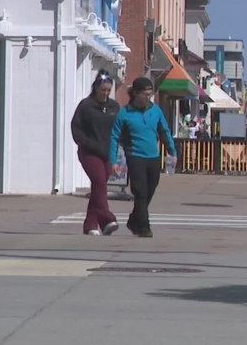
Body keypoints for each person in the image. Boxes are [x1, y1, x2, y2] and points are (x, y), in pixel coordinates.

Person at [109, 77, 176, 238]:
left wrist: (172, 151)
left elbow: (164, 132)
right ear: (136, 94)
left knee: (150, 190)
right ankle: (144, 227)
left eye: (150, 94)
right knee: (140, 192)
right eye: (145, 94)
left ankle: (134, 220)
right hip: (135, 156)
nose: (148, 97)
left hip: (153, 157)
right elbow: (114, 137)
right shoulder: (124, 114)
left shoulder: (156, 111)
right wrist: (112, 161)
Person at [70, 70, 121, 236]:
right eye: (103, 90)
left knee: (99, 188)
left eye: (108, 90)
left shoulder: (114, 107)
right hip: (89, 152)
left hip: (108, 153)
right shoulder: (86, 106)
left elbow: (119, 129)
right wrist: (87, 143)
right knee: (99, 182)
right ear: (96, 88)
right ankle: (107, 218)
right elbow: (76, 128)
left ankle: (91, 225)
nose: (105, 93)